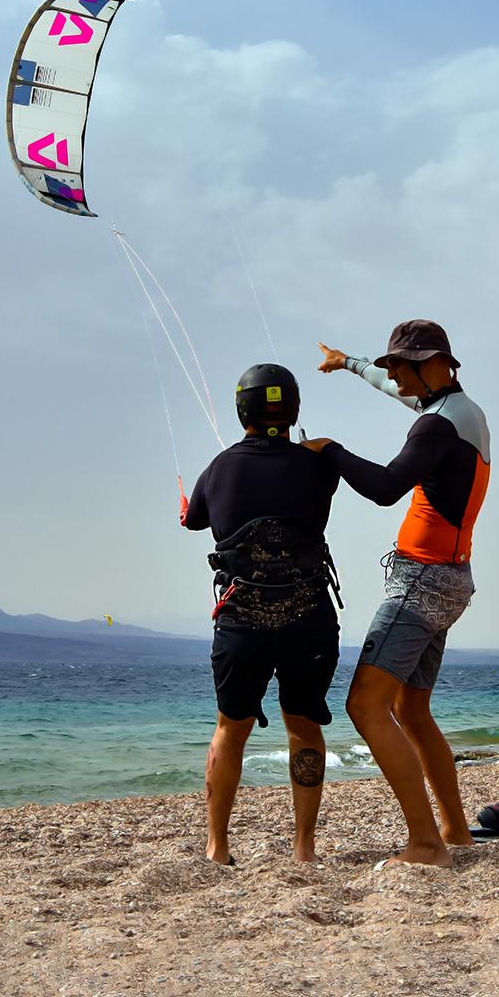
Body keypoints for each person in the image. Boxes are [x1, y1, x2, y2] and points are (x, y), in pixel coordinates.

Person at [304, 320, 490, 868]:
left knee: (364, 704)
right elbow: (394, 390)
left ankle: (426, 844)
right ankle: (455, 831)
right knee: (412, 708)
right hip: (452, 578)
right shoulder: (460, 412)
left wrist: (331, 451)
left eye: (398, 367)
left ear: (427, 363)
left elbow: (386, 489)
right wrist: (348, 362)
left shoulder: (434, 430)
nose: (394, 378)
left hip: (422, 581)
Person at [182, 363, 341, 866]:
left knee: (231, 728)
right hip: (309, 621)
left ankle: (218, 847)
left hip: (241, 625)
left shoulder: (219, 467)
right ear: (293, 410)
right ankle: (304, 848)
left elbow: (193, 521)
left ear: (241, 409)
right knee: (304, 726)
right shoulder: (318, 465)